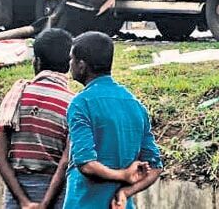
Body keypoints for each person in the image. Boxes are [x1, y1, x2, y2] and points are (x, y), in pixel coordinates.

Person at [64, 32, 163, 209]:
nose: (69, 64)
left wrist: (123, 175)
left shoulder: (81, 103)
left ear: (81, 65)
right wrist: (125, 192)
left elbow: (86, 164)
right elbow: (155, 167)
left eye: (71, 59)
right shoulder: (135, 105)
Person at [0, 29, 74, 209]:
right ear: (69, 64)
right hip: (56, 194)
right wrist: (45, 204)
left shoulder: (16, 96)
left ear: (36, 62)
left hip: (17, 192)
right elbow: (66, 162)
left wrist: (23, 201)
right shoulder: (72, 104)